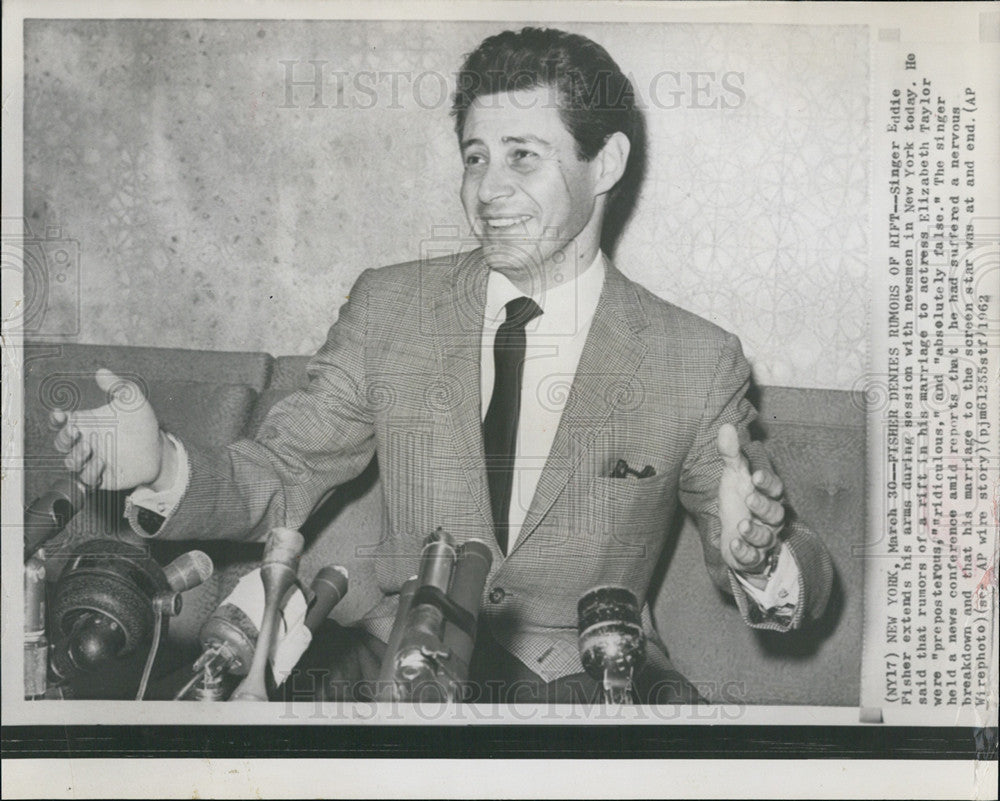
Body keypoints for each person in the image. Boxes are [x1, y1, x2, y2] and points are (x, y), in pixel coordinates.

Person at [50, 27, 833, 703]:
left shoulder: (693, 359)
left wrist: (759, 558)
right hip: (391, 680)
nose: (488, 189)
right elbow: (280, 474)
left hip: (588, 696)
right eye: (475, 156)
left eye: (523, 157)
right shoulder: (392, 308)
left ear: (606, 163)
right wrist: (164, 470)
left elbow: (793, 557)